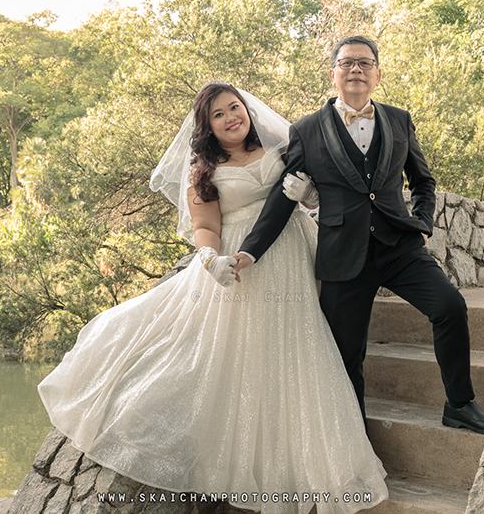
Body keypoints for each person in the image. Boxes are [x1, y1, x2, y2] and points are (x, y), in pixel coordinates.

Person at [38, 81, 388, 513]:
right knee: (238, 355)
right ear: (207, 126)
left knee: (297, 348)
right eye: (218, 114)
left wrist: (311, 198)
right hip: (239, 262)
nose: (230, 117)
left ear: (248, 110)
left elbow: (322, 196)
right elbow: (206, 228)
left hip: (293, 255)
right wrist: (209, 259)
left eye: (234, 107)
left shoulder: (282, 147)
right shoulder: (202, 170)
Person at [232, 37, 484, 435]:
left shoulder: (399, 119)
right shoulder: (305, 130)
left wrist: (423, 224)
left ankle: (459, 404)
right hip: (343, 256)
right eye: (347, 63)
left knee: (450, 306)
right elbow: (283, 198)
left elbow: (423, 183)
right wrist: (250, 252)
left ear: (376, 73)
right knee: (346, 354)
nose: (356, 69)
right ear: (333, 73)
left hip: (400, 247)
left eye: (364, 63)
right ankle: (353, 439)